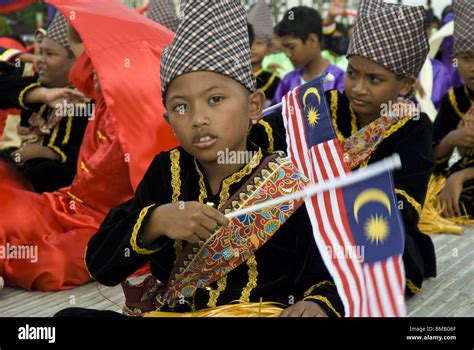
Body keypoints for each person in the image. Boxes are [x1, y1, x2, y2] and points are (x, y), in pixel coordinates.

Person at [80, 0, 343, 318]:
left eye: (215, 99)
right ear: (168, 121)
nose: (198, 118)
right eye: (181, 107)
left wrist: (316, 303)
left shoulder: (287, 180)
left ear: (255, 106)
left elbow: (328, 274)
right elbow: (100, 264)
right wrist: (157, 221)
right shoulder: (167, 171)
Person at [253, 0, 436, 296]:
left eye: (374, 79)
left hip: (376, 229)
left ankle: (330, 295)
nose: (359, 88)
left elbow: (402, 206)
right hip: (314, 222)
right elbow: (271, 130)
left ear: (404, 85)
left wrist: (335, 205)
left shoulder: (413, 125)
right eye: (352, 73)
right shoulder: (325, 105)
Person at [0, 0, 176, 291]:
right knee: (8, 208)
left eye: (50, 54)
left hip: (109, 226)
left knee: (46, 261)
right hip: (66, 203)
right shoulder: (95, 99)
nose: (94, 72)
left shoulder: (138, 109)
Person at [0, 13, 89, 193]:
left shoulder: (88, 100)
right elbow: (5, 89)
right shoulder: (34, 84)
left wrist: (49, 152)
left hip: (63, 183)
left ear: (75, 61)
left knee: (45, 171)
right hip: (23, 163)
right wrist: (42, 94)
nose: (39, 60)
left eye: (49, 54)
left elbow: (94, 155)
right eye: (39, 52)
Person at [432, 0, 474, 218]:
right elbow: (431, 159)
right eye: (467, 58)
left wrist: (462, 176)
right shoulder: (454, 99)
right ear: (455, 59)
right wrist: (450, 140)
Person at [270, 6, 345, 107]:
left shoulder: (339, 80)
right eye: (284, 48)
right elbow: (273, 116)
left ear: (312, 40)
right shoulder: (287, 81)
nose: (287, 54)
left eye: (291, 47)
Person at [247, 0, 280, 103]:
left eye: (259, 43)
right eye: (249, 41)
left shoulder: (274, 82)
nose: (252, 47)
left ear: (269, 49)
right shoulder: (231, 76)